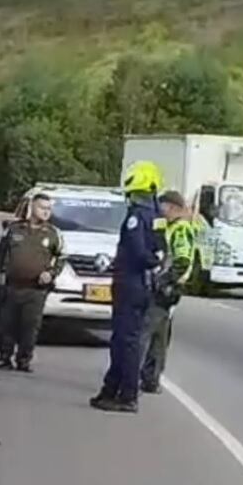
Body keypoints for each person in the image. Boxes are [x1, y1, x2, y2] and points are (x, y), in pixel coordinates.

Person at [90, 161, 166, 414]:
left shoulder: (136, 216)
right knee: (125, 340)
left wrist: (144, 262)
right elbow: (160, 249)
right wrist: (154, 264)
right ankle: (111, 390)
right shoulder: (157, 216)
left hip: (130, 283)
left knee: (125, 341)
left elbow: (136, 250)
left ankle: (126, 395)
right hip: (143, 285)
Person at [0, 193, 64, 372]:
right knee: (7, 322)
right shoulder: (14, 229)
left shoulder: (53, 234)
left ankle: (24, 359)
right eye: (42, 208)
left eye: (48, 209)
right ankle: (4, 356)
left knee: (30, 326)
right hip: (12, 285)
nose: (46, 212)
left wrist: (51, 273)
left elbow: (61, 258)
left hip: (36, 289)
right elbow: (1, 253)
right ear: (32, 207)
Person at [140, 190, 195, 394]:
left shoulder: (180, 229)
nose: (159, 210)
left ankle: (143, 376)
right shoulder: (172, 227)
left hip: (167, 288)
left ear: (172, 208)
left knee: (147, 333)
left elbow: (182, 260)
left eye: (162, 206)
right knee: (159, 336)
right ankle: (151, 379)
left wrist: (163, 281)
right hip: (169, 289)